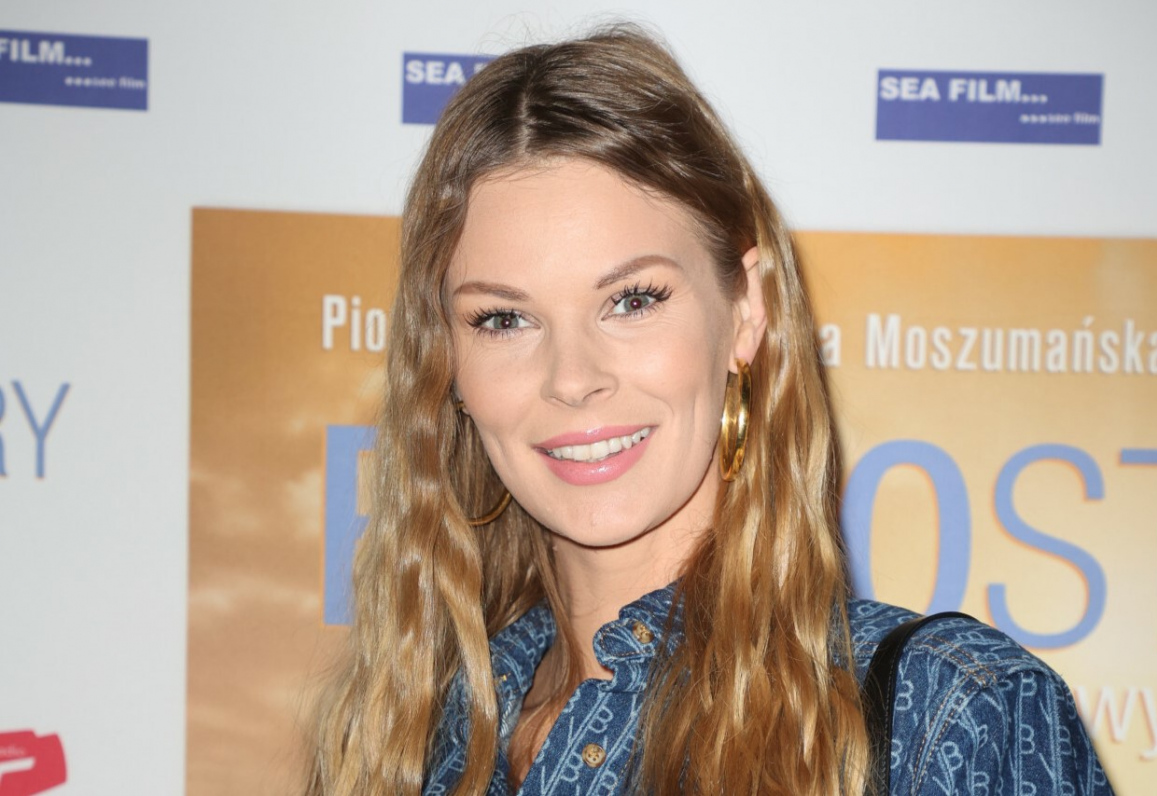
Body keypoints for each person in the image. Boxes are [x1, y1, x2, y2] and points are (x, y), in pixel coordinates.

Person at [305, 26, 1114, 796]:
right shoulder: (408, 742)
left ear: (746, 309)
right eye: (504, 319)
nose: (572, 378)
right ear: (446, 362)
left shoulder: (950, 717)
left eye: (632, 299)